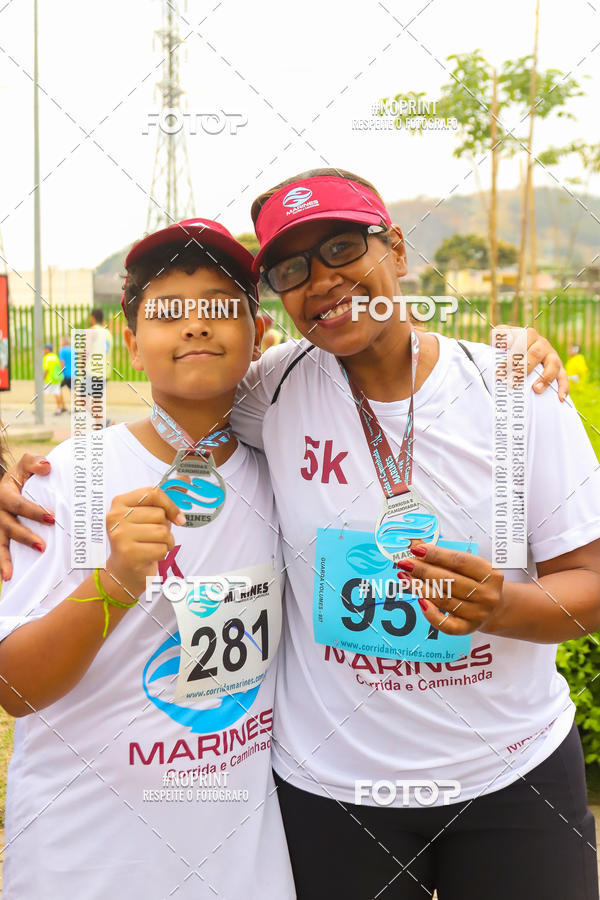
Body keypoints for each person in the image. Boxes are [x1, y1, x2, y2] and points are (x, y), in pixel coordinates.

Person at [0, 173, 584, 899]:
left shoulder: (504, 389)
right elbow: (183, 405)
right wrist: (33, 488)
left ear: (396, 248)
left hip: (508, 772)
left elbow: (587, 580)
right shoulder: (252, 401)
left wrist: (505, 606)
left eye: (343, 246)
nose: (325, 279)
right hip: (321, 794)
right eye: (293, 268)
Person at [0, 219, 294, 898]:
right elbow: (14, 690)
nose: (196, 325)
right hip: (89, 857)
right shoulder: (62, 481)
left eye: (221, 307)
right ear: (131, 343)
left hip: (240, 860)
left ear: (258, 335)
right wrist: (115, 582)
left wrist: (515, 355)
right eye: (168, 312)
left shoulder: (286, 473)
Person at [42, 342, 66, 415]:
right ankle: (60, 408)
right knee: (57, 393)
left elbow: (46, 369)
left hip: (49, 379)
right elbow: (60, 366)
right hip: (56, 378)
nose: (43, 351)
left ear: (47, 350)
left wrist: (42, 377)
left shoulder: (46, 358)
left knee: (39, 394)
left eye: (44, 349)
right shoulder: (55, 356)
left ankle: (38, 409)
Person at [58, 334, 72, 409]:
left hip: (65, 374)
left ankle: (62, 406)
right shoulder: (73, 349)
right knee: (72, 391)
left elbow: (62, 362)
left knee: (57, 389)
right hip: (74, 374)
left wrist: (60, 373)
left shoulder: (62, 350)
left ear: (64, 342)